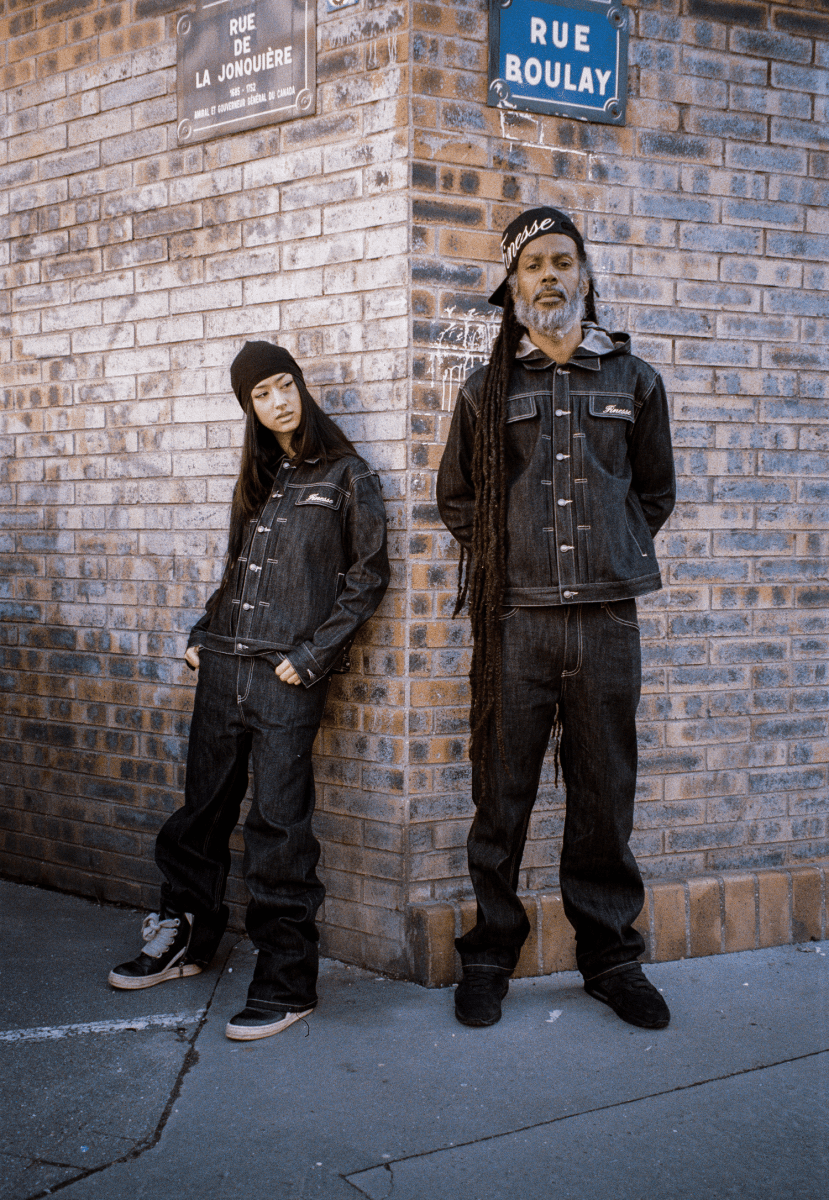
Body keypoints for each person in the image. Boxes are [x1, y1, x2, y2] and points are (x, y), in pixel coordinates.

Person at [436, 207, 676, 1031]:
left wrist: (608, 551)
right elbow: (457, 499)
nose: (548, 275)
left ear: (584, 274)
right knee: (499, 797)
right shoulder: (487, 390)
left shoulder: (634, 382)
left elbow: (653, 494)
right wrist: (517, 562)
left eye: (561, 260)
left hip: (607, 621)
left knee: (604, 795)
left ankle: (609, 958)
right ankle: (489, 955)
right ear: (512, 286)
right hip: (516, 626)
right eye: (532, 263)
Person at [109, 342, 390, 1041]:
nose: (277, 402)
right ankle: (185, 941)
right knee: (201, 813)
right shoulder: (257, 480)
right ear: (250, 409)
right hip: (222, 668)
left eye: (283, 385)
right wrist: (202, 632)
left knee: (279, 827)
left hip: (284, 678)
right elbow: (235, 570)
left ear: (300, 386)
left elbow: (367, 578)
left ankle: (286, 980)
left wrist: (311, 656)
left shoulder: (348, 475)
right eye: (260, 395)